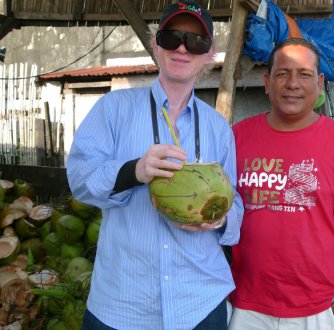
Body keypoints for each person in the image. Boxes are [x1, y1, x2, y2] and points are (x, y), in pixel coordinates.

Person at [67, 1, 243, 329]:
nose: (182, 48)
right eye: (171, 37)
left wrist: (217, 218)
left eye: (196, 42)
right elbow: (79, 179)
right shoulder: (112, 109)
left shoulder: (218, 128)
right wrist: (134, 171)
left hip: (200, 303)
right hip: (122, 305)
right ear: (154, 44)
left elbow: (238, 207)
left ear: (209, 54)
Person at [229, 38, 334, 330]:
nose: (292, 83)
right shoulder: (237, 137)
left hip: (320, 309)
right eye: (282, 73)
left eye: (304, 74)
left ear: (320, 82)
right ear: (267, 81)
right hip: (247, 305)